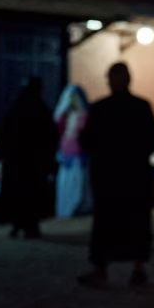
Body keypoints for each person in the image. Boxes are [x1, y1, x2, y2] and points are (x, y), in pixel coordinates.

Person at [78, 63, 154, 287]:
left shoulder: (100, 108)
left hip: (108, 176)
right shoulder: (141, 106)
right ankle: (137, 268)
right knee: (136, 221)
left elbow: (85, 140)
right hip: (134, 174)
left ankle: (101, 268)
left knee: (107, 221)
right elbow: (153, 138)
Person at [0, 78, 59, 238]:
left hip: (19, 162)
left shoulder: (17, 108)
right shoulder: (39, 109)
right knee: (30, 195)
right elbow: (50, 136)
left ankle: (20, 224)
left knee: (20, 194)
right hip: (32, 163)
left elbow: (5, 133)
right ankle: (27, 225)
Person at [54, 85, 92, 217]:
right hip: (67, 158)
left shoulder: (85, 116)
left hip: (80, 159)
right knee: (66, 188)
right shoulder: (65, 117)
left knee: (79, 189)